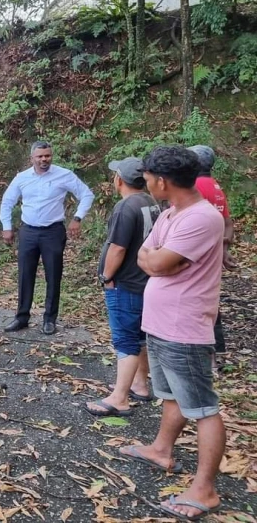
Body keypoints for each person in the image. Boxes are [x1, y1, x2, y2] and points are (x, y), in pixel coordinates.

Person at [118, 146, 225, 521]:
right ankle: (161, 449)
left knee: (203, 408)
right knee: (171, 394)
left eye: (148, 178)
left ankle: (205, 489)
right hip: (161, 323)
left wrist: (160, 261)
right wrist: (159, 261)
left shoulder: (201, 218)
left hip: (186, 326)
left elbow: (158, 261)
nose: (145, 183)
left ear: (162, 181)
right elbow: (146, 258)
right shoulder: (171, 213)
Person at [85, 157, 161, 417]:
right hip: (144, 281)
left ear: (119, 179)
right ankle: (138, 384)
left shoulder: (125, 206)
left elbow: (117, 247)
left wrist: (107, 277)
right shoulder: (151, 202)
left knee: (125, 339)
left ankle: (119, 398)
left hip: (126, 282)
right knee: (140, 337)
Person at [0, 140, 94, 335]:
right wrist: (7, 227)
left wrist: (77, 218)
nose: (44, 159)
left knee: (53, 274)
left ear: (52, 156)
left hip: (53, 232)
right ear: (32, 158)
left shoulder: (63, 175)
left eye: (47, 156)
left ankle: (49, 319)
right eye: (40, 156)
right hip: (28, 231)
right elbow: (7, 201)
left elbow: (87, 194)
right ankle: (21, 317)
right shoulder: (22, 178)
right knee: (25, 274)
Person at [188, 145, 237, 356]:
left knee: (197, 301)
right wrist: (224, 248)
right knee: (209, 299)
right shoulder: (215, 186)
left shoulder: (196, 185)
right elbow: (228, 222)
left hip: (199, 254)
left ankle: (206, 350)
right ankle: (217, 348)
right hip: (212, 253)